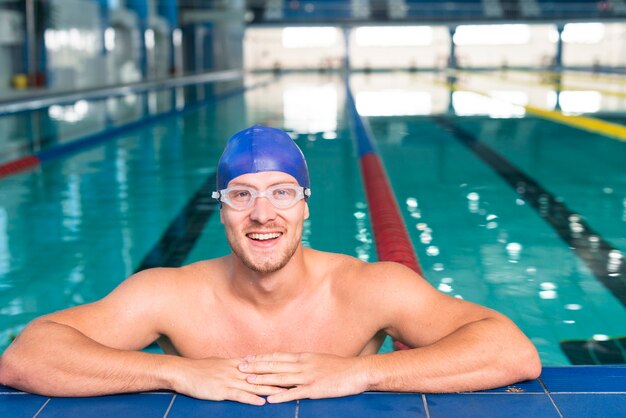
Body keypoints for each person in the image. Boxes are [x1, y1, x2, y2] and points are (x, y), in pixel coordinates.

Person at [0, 125, 541, 405]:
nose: (263, 214)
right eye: (241, 196)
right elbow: (26, 356)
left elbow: (510, 351)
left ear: (305, 203)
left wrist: (360, 373)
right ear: (221, 211)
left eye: (281, 193)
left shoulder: (369, 287)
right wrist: (174, 371)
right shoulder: (167, 293)